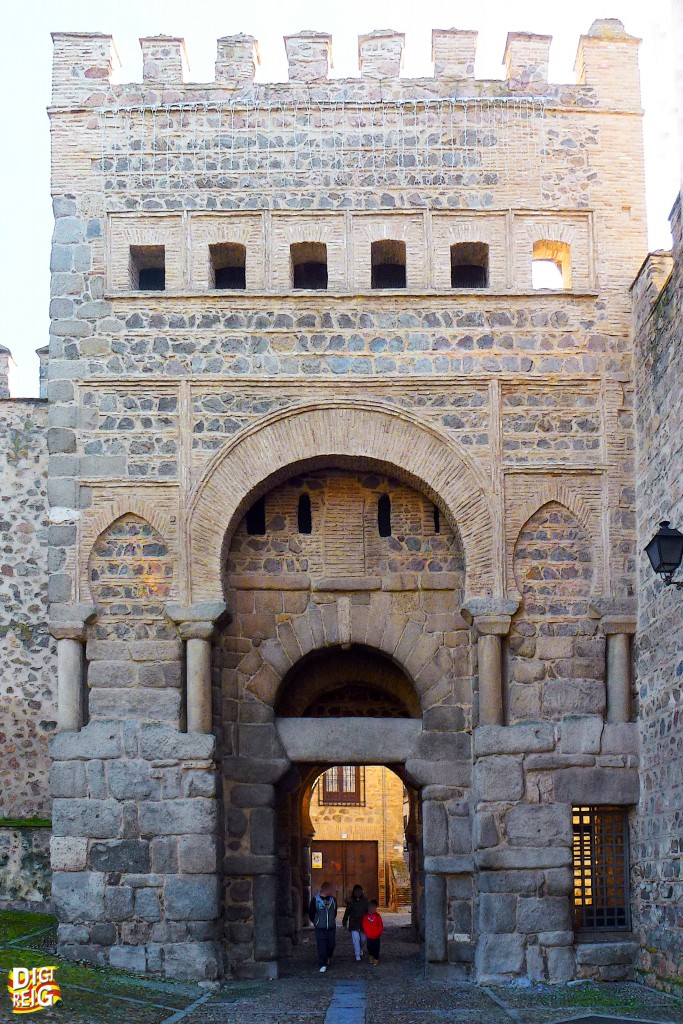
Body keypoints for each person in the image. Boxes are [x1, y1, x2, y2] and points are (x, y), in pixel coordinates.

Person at [308, 881, 338, 972]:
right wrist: (316, 922)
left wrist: (331, 920)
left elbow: (335, 912)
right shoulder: (315, 900)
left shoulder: (333, 900)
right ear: (325, 889)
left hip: (331, 927)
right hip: (320, 927)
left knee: (331, 944)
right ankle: (322, 963)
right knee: (321, 945)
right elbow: (311, 913)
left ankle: (328, 957)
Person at [342, 884, 369, 962]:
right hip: (353, 924)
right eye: (356, 891)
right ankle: (357, 955)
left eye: (359, 891)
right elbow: (347, 912)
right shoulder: (350, 901)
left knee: (363, 939)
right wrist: (344, 922)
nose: (357, 893)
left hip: (363, 924)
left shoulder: (365, 901)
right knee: (356, 940)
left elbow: (368, 912)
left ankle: (360, 948)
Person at [362, 900, 384, 965]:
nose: (372, 908)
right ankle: (371, 956)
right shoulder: (366, 916)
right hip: (369, 936)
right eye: (370, 907)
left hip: (376, 936)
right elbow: (364, 925)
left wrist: (379, 933)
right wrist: (367, 932)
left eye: (373, 907)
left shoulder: (377, 916)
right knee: (369, 947)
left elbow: (380, 925)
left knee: (376, 948)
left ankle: (376, 958)